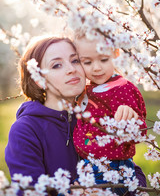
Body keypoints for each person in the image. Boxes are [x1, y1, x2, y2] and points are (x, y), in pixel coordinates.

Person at [5, 36, 146, 196]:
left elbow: (134, 174)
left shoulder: (94, 115)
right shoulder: (25, 130)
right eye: (57, 65)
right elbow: (28, 192)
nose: (71, 69)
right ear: (39, 80)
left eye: (76, 61)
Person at [73, 34, 147, 195]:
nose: (96, 68)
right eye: (87, 62)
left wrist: (131, 119)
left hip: (113, 169)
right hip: (88, 166)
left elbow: (140, 132)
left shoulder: (123, 88)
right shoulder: (87, 89)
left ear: (116, 54)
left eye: (103, 59)